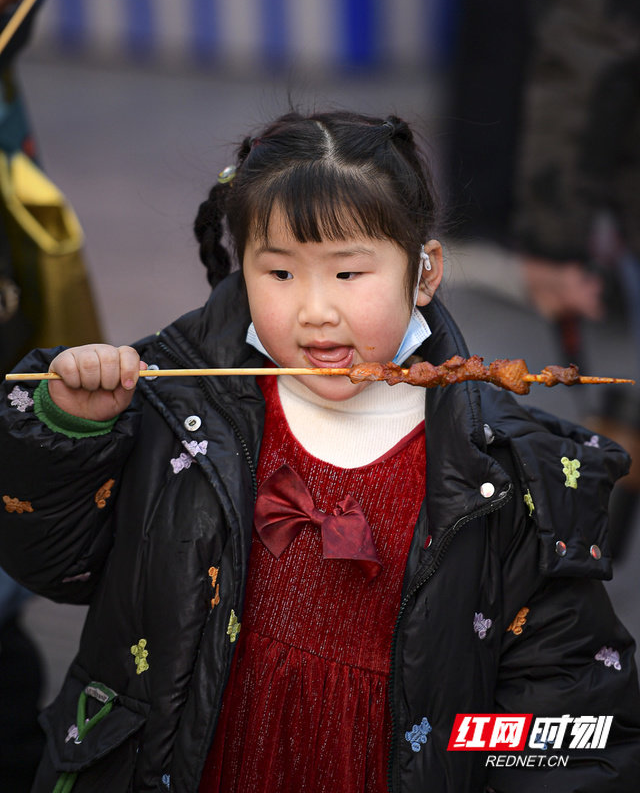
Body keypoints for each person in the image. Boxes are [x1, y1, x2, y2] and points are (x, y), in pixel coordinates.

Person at [1, 110, 640, 793]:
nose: (314, 311)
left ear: (423, 273)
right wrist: (70, 433)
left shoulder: (507, 469)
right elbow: (55, 565)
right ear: (241, 268)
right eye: (279, 273)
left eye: (348, 274)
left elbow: (570, 700)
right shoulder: (175, 403)